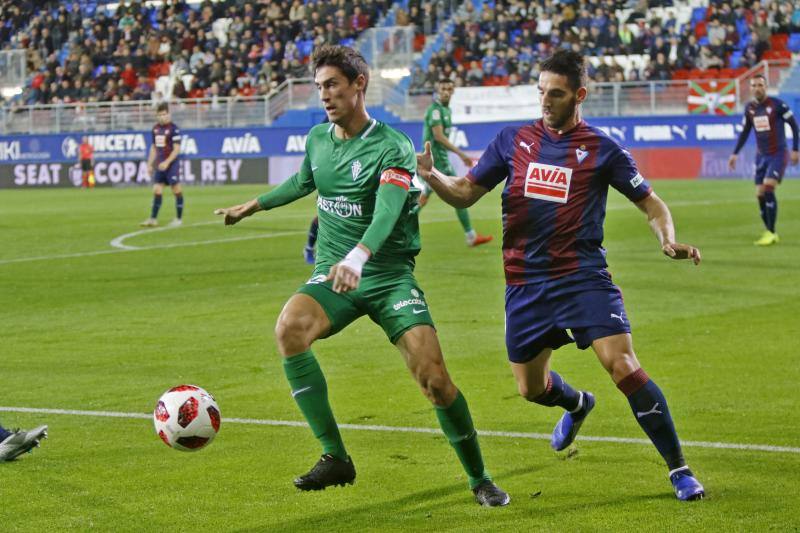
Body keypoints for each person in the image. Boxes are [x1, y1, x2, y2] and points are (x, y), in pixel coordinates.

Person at [214, 44, 509, 507]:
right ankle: (335, 456)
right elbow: (303, 181)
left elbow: (389, 210)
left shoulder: (391, 145)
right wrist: (253, 205)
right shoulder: (318, 139)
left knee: (434, 380)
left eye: (332, 85)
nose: (324, 95)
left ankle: (479, 477)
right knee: (289, 329)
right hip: (335, 275)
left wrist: (359, 257)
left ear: (359, 85)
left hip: (387, 276)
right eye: (319, 87)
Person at [416, 49, 705, 501]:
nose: (546, 101)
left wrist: (667, 239)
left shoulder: (603, 149)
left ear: (579, 95)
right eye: (541, 92)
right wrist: (433, 177)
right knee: (530, 388)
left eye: (556, 94)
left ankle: (680, 470)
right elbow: (467, 193)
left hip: (582, 277)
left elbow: (652, 204)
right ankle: (576, 403)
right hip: (524, 284)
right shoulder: (512, 140)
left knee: (624, 365)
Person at [419, 78, 493, 247]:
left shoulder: (446, 110)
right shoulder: (435, 111)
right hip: (436, 159)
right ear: (438, 90)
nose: (446, 91)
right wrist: (461, 154)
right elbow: (438, 136)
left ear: (453, 91)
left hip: (438, 159)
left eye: (449, 88)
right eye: (443, 88)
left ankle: (394, 231)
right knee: (459, 193)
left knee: (423, 198)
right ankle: (471, 235)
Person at [728, 74, 799, 246]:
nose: (757, 88)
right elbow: (745, 131)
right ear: (750, 88)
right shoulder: (750, 108)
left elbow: (794, 126)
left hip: (778, 154)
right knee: (759, 194)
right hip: (761, 156)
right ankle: (769, 230)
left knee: (768, 188)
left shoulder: (777, 105)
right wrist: (735, 153)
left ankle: (771, 232)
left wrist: (796, 149)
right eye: (754, 85)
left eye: (760, 85)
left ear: (765, 87)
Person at [140, 102, 184, 227]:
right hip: (160, 165)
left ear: (169, 114)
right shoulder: (155, 129)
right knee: (157, 190)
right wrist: (149, 164)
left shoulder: (174, 129)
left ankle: (178, 219)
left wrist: (167, 162)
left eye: (164, 114)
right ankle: (153, 219)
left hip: (171, 164)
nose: (162, 117)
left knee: (176, 190)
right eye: (160, 115)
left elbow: (176, 149)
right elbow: (153, 148)